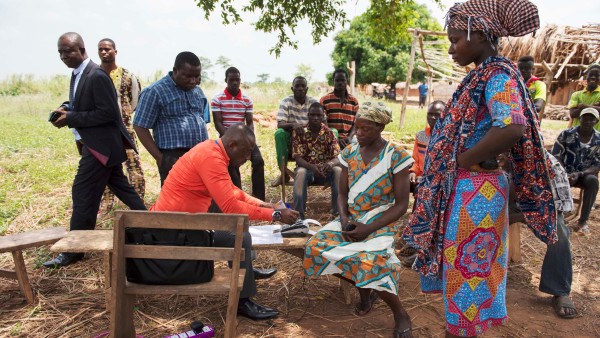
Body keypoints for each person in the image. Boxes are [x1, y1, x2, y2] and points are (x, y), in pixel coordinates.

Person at [402, 1, 557, 337]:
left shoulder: (498, 76)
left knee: (468, 274)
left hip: (476, 193)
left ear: (481, 34)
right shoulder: (484, 74)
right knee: (462, 271)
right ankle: (459, 328)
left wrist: (461, 159)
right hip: (468, 190)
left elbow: (511, 127)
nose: (451, 47)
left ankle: (460, 331)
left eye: (456, 39)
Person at [151, 124, 299, 320]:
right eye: (246, 152)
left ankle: (245, 272)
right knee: (239, 236)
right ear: (232, 144)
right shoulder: (211, 158)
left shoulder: (212, 151)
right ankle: (243, 301)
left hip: (181, 226)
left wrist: (268, 205)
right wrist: (275, 216)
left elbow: (234, 192)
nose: (248, 158)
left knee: (237, 230)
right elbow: (231, 206)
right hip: (175, 234)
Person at [304, 102, 415, 337]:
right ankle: (364, 289)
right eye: (357, 128)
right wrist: (344, 220)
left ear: (380, 127)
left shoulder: (396, 157)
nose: (358, 134)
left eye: (365, 129)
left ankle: (400, 313)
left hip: (380, 220)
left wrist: (369, 228)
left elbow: (402, 206)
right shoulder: (349, 153)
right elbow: (342, 193)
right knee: (316, 247)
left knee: (371, 262)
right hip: (351, 216)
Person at [44, 32, 147, 268]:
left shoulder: (96, 75)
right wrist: (66, 107)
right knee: (125, 190)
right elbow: (86, 103)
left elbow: (108, 113)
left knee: (82, 194)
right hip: (100, 147)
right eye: (60, 52)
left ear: (81, 50)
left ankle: (75, 249)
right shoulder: (79, 74)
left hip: (100, 148)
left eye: (68, 51)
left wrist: (71, 117)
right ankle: (156, 224)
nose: (63, 56)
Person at [502, 152, 579, 319]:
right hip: (505, 204)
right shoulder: (492, 156)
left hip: (542, 208)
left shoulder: (546, 163)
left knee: (559, 234)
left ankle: (559, 291)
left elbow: (556, 208)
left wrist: (517, 216)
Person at [133, 51, 210, 185]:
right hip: (173, 156)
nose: (193, 81)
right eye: (188, 76)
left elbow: (202, 119)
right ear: (175, 71)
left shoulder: (197, 90)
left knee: (201, 197)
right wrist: (159, 157)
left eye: (196, 76)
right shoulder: (155, 91)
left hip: (199, 154)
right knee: (176, 201)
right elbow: (140, 126)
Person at [97, 38, 145, 214]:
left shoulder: (127, 76)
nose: (104, 52)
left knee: (134, 166)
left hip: (125, 129)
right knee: (106, 167)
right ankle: (106, 204)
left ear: (115, 52)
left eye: (108, 49)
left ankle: (137, 204)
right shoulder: (94, 75)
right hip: (102, 131)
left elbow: (134, 102)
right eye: (101, 49)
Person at [211, 67, 265, 200]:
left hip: (245, 139)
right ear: (226, 80)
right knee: (232, 165)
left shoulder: (246, 100)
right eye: (232, 80)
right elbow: (218, 124)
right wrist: (230, 140)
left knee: (258, 160)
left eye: (237, 80)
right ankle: (239, 199)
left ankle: (259, 198)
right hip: (227, 140)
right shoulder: (217, 99)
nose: (235, 82)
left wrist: (249, 140)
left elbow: (250, 123)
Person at [552, 107, 600, 234]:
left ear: (596, 121)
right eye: (585, 118)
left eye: (591, 119)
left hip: (584, 175)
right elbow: (556, 155)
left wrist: (580, 174)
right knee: (554, 178)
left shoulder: (598, 140)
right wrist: (563, 173)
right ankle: (555, 217)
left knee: (593, 181)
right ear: (580, 119)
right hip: (565, 172)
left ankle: (583, 221)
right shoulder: (566, 134)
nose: (588, 122)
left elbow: (597, 165)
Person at [292, 102, 341, 220]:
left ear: (323, 116)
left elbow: (337, 156)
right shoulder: (299, 132)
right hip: (307, 171)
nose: (315, 118)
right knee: (300, 172)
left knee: (338, 170)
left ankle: (338, 213)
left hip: (325, 171)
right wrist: (312, 167)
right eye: (312, 115)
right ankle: (299, 217)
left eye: (318, 115)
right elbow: (298, 158)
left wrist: (330, 164)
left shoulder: (329, 133)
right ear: (308, 115)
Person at [272, 76, 318, 187]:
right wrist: (294, 125)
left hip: (310, 139)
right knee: (279, 134)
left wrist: (309, 128)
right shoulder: (286, 101)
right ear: (292, 89)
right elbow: (280, 124)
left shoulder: (313, 102)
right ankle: (284, 173)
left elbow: (323, 122)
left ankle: (323, 172)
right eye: (297, 86)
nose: (300, 88)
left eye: (303, 86)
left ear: (307, 89)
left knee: (332, 132)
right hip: (292, 139)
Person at [408, 100, 444, 193]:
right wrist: (413, 172)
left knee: (421, 189)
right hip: (421, 177)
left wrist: (425, 178)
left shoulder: (449, 138)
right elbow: (416, 160)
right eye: (430, 114)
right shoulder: (421, 136)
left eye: (437, 114)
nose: (432, 117)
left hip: (439, 179)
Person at [320, 69, 359, 149]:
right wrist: (335, 138)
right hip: (329, 137)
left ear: (346, 81)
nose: (340, 83)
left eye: (343, 80)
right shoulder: (325, 100)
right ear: (333, 81)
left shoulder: (354, 101)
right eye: (337, 80)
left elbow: (357, 122)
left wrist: (350, 137)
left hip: (349, 139)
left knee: (359, 152)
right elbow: (323, 123)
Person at [568, 64, 600, 130]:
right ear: (586, 77)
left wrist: (583, 106)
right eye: (590, 75)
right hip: (577, 134)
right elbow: (573, 114)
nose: (593, 77)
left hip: (597, 136)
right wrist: (594, 107)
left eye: (597, 75)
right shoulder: (576, 95)